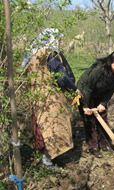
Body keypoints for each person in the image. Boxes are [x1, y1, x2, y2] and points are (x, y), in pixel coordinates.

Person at [22, 28, 77, 167]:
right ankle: (47, 160)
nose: (59, 42)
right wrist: (74, 89)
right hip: (51, 98)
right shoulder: (50, 55)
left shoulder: (32, 56)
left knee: (41, 126)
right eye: (58, 39)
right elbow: (61, 78)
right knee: (52, 126)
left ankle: (47, 158)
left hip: (36, 96)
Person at [76, 51, 114, 158]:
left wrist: (103, 103)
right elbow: (88, 88)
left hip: (101, 92)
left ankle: (105, 144)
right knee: (89, 120)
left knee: (103, 118)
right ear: (110, 63)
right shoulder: (99, 69)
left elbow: (112, 89)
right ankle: (93, 147)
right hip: (85, 91)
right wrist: (85, 106)